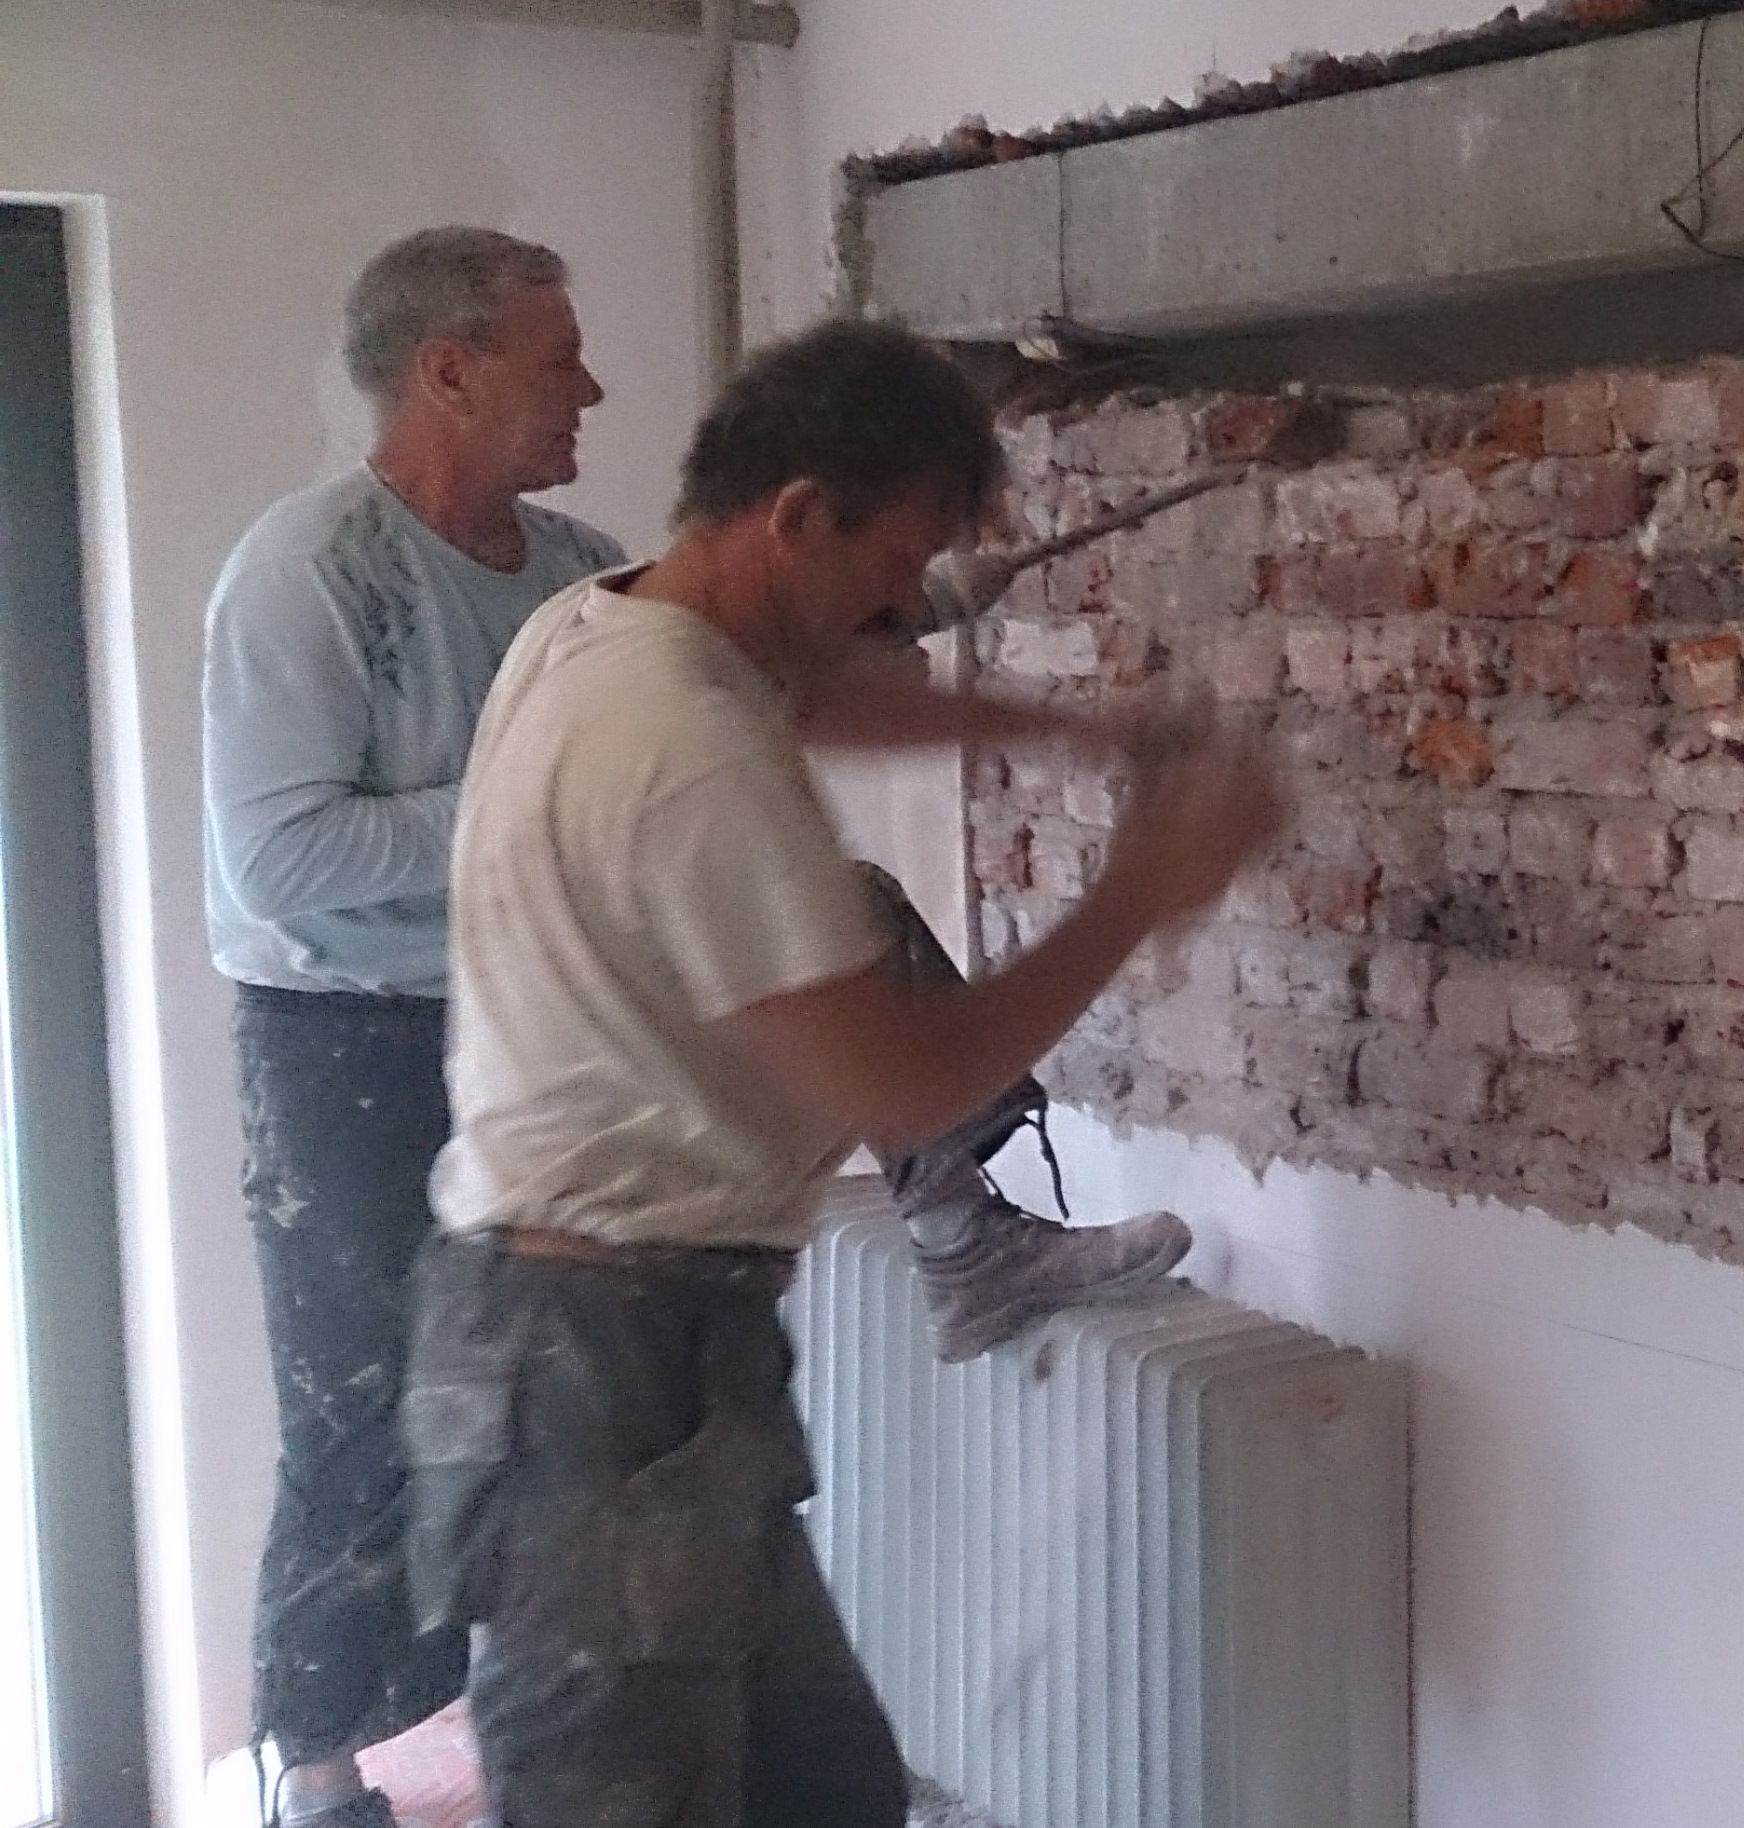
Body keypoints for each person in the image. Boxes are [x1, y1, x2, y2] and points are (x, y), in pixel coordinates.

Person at [398, 319, 1284, 1825]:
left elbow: (831, 696)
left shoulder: (610, 629)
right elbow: (908, 1089)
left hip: (627, 1349)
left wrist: (1084, 732)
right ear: (800, 516)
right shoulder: (688, 749)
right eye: (900, 562)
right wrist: (1140, 888)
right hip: (598, 1374)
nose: (910, 606)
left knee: (826, 1792)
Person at [203, 227, 619, 1828]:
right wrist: (531, 796)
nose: (590, 388)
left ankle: (513, 1740)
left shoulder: (584, 573)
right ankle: (317, 1781)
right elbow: (282, 858)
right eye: (557, 355)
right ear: (450, 371)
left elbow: (677, 719)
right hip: (341, 1047)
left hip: (531, 1018)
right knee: (360, 1414)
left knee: (544, 1400)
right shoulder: (312, 573)